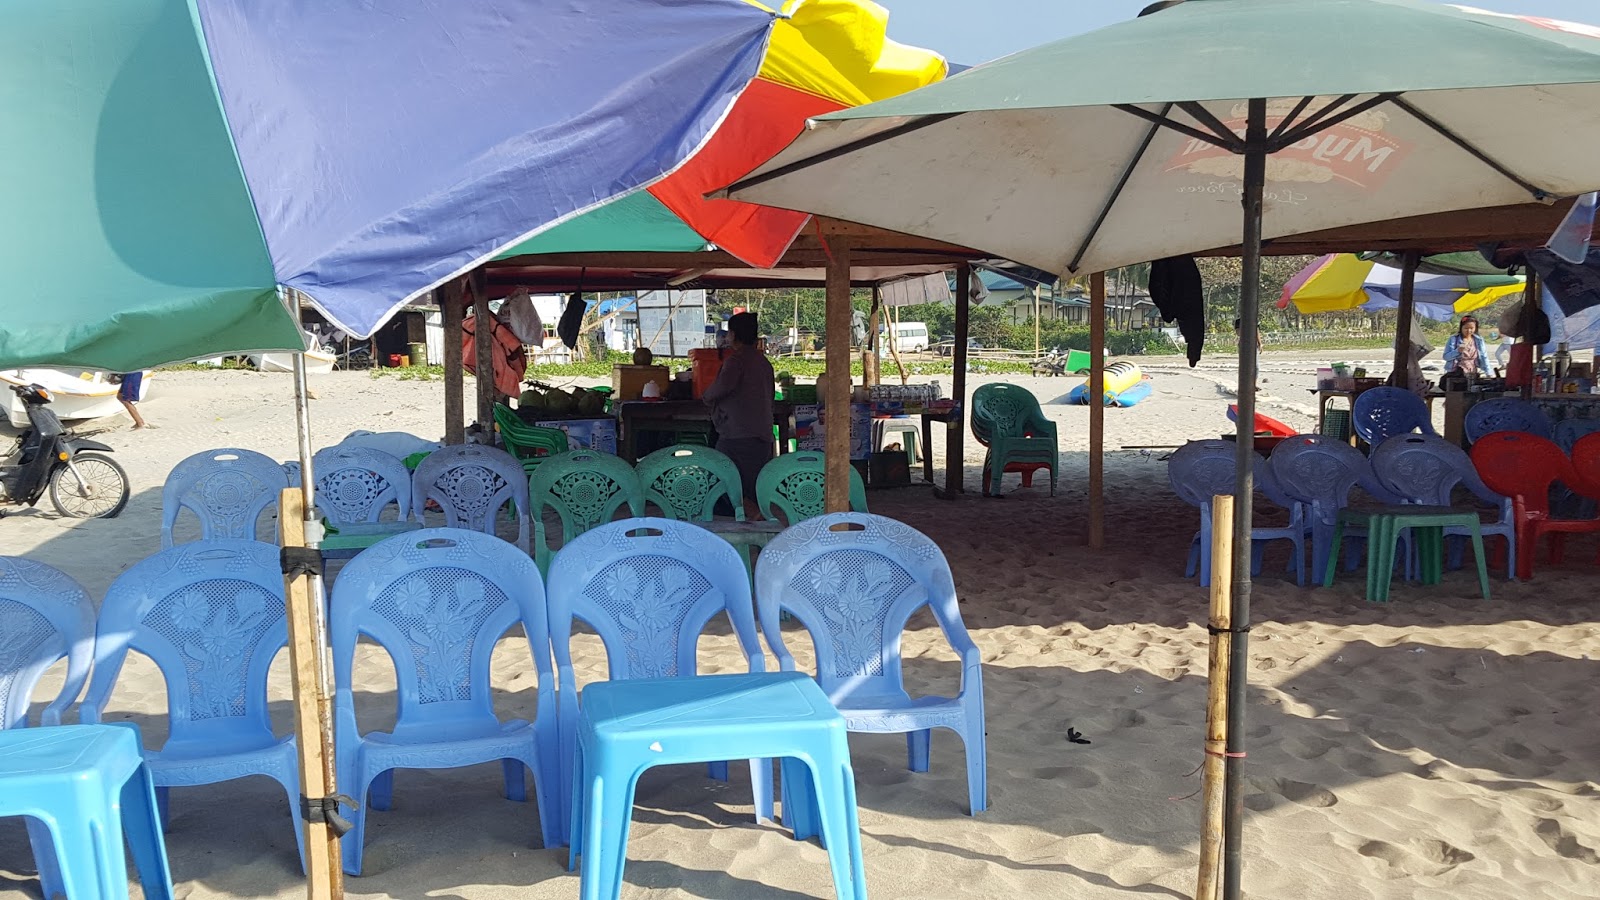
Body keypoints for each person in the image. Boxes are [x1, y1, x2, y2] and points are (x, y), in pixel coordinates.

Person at [702, 311, 775, 519]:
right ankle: (754, 516)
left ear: (733, 335)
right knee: (751, 484)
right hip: (761, 433)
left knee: (725, 477)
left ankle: (756, 516)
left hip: (737, 434)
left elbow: (719, 389)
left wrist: (706, 396)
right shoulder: (764, 362)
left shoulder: (736, 361)